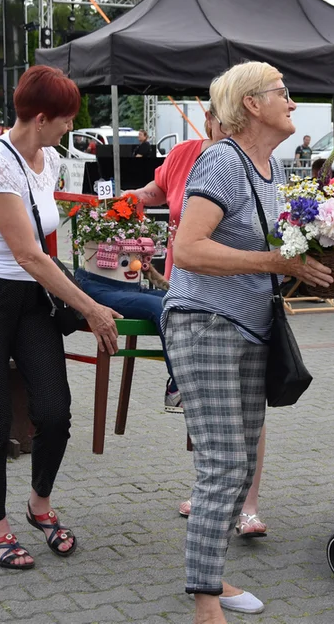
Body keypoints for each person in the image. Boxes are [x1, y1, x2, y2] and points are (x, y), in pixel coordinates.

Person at [163, 62, 333, 621]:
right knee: (223, 465)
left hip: (249, 328)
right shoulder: (221, 159)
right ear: (252, 104)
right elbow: (188, 249)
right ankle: (206, 601)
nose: (293, 101)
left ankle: (212, 576)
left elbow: (268, 254)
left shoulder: (272, 165)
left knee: (238, 466)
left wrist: (315, 254)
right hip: (204, 323)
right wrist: (274, 260)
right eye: (283, 92)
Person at [0, 65, 121, 570]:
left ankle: (39, 505)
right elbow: (27, 253)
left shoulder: (46, 158)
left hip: (30, 295)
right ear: (41, 118)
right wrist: (89, 307)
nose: (70, 128)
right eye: (66, 120)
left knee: (53, 411)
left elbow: (46, 244)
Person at [128, 106, 272, 537]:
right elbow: (155, 191)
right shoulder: (186, 154)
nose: (225, 126)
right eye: (219, 118)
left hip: (242, 303)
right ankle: (213, 492)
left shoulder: (254, 161)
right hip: (186, 293)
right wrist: (116, 202)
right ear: (210, 116)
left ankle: (247, 505)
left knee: (249, 411)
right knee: (209, 410)